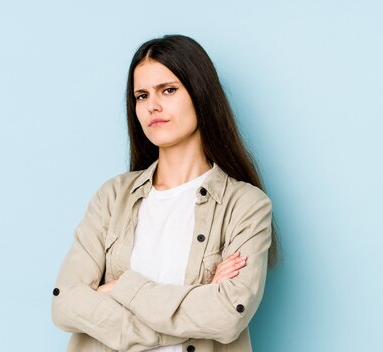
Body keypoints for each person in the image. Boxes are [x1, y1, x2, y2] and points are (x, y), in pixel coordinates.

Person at [51, 34, 279, 352]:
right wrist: (194, 304)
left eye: (168, 90)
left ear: (200, 94)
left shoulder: (245, 206)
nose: (152, 106)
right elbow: (65, 302)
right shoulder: (111, 197)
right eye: (141, 96)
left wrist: (121, 288)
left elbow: (226, 316)